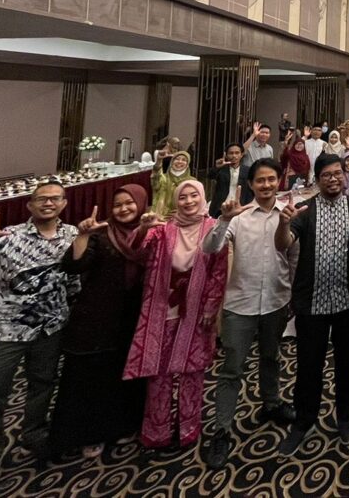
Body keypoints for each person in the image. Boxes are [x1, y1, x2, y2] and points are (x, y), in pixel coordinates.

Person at [0, 180, 79, 494]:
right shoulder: (9, 236)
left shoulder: (72, 235)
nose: (48, 203)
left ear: (64, 204)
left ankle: (34, 434)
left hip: (51, 326)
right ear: (29, 205)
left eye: (55, 198)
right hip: (5, 329)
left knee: (43, 384)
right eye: (42, 199)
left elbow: (75, 279)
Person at [201, 159, 299, 467]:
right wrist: (223, 220)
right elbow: (210, 248)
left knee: (271, 357)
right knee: (232, 368)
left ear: (279, 181)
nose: (266, 185)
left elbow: (293, 257)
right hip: (240, 303)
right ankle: (222, 430)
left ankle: (271, 403)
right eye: (260, 180)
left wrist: (293, 294)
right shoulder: (239, 217)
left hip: (276, 300)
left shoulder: (287, 214)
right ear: (252, 184)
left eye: (271, 179)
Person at [124, 180, 227, 450]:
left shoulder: (213, 228)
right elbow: (136, 250)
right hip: (161, 308)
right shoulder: (163, 228)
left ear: (203, 197)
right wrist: (143, 228)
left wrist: (211, 306)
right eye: (183, 197)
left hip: (196, 310)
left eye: (194, 196)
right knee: (158, 373)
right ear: (175, 201)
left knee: (192, 372)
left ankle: (188, 429)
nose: (189, 201)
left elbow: (218, 272)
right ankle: (157, 430)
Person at [276, 154, 349, 450]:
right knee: (308, 364)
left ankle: (345, 417)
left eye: (338, 173)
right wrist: (283, 223)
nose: (333, 179)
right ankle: (304, 421)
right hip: (311, 301)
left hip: (348, 299)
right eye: (326, 175)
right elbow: (283, 244)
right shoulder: (305, 210)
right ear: (317, 179)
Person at [50, 186, 150, 459]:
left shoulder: (149, 232)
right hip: (98, 316)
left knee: (126, 372)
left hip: (133, 315)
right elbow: (74, 266)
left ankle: (123, 425)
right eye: (118, 204)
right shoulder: (103, 233)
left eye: (130, 203)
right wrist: (83, 235)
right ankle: (89, 433)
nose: (124, 209)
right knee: (92, 376)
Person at [205, 143, 250, 217]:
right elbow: (210, 176)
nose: (234, 156)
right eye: (231, 153)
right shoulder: (221, 169)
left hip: (240, 206)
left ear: (241, 155)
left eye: (237, 153)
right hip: (221, 206)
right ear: (226, 155)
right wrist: (217, 167)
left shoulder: (247, 170)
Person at [152, 150, 192, 216]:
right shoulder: (163, 179)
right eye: (177, 159)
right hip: (161, 217)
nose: (180, 162)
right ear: (171, 162)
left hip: (183, 217)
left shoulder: (191, 182)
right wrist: (159, 161)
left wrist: (182, 212)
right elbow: (155, 177)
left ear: (187, 165)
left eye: (184, 160)